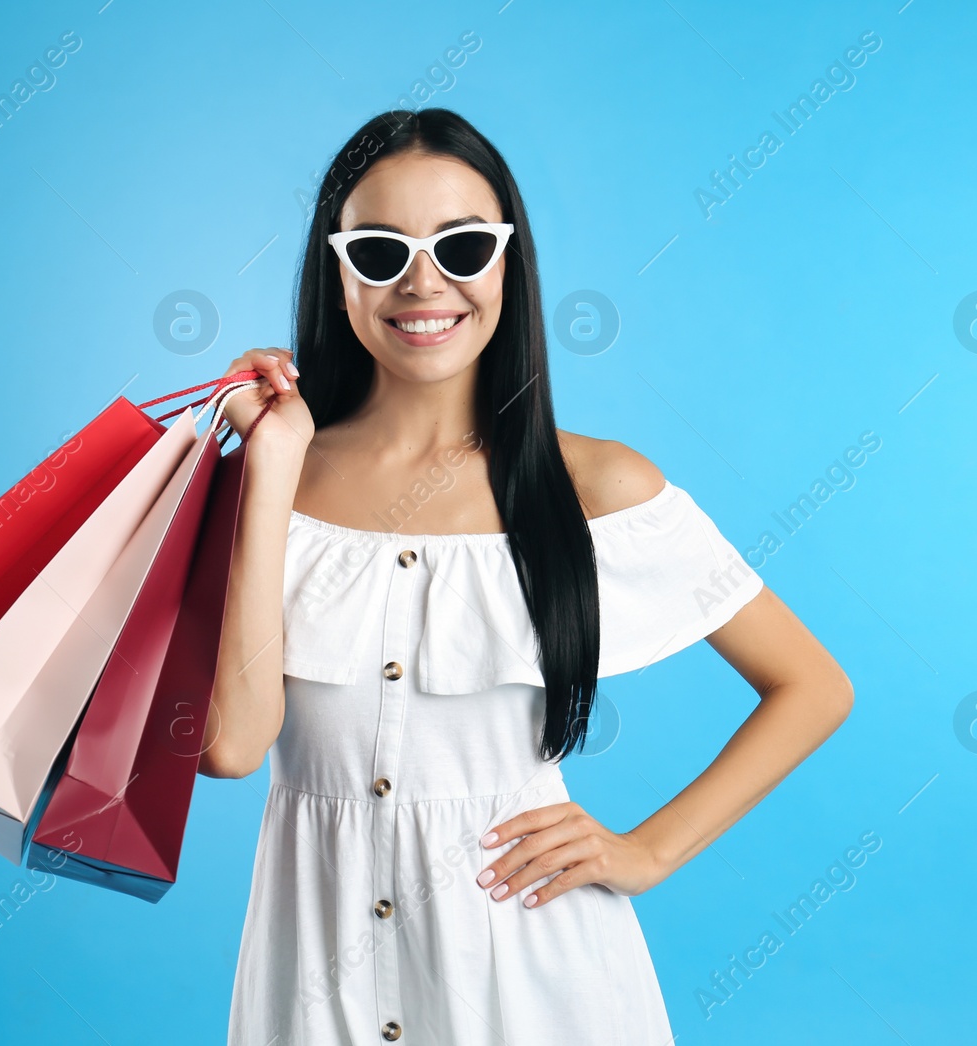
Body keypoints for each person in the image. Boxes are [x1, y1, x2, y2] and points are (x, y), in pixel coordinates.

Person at [199, 107, 853, 1045]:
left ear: (508, 260)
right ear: (337, 272)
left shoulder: (597, 485)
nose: (425, 282)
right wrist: (267, 469)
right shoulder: (268, 477)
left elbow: (814, 686)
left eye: (463, 246)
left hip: (534, 976)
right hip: (312, 979)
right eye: (380, 252)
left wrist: (649, 851)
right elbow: (232, 745)